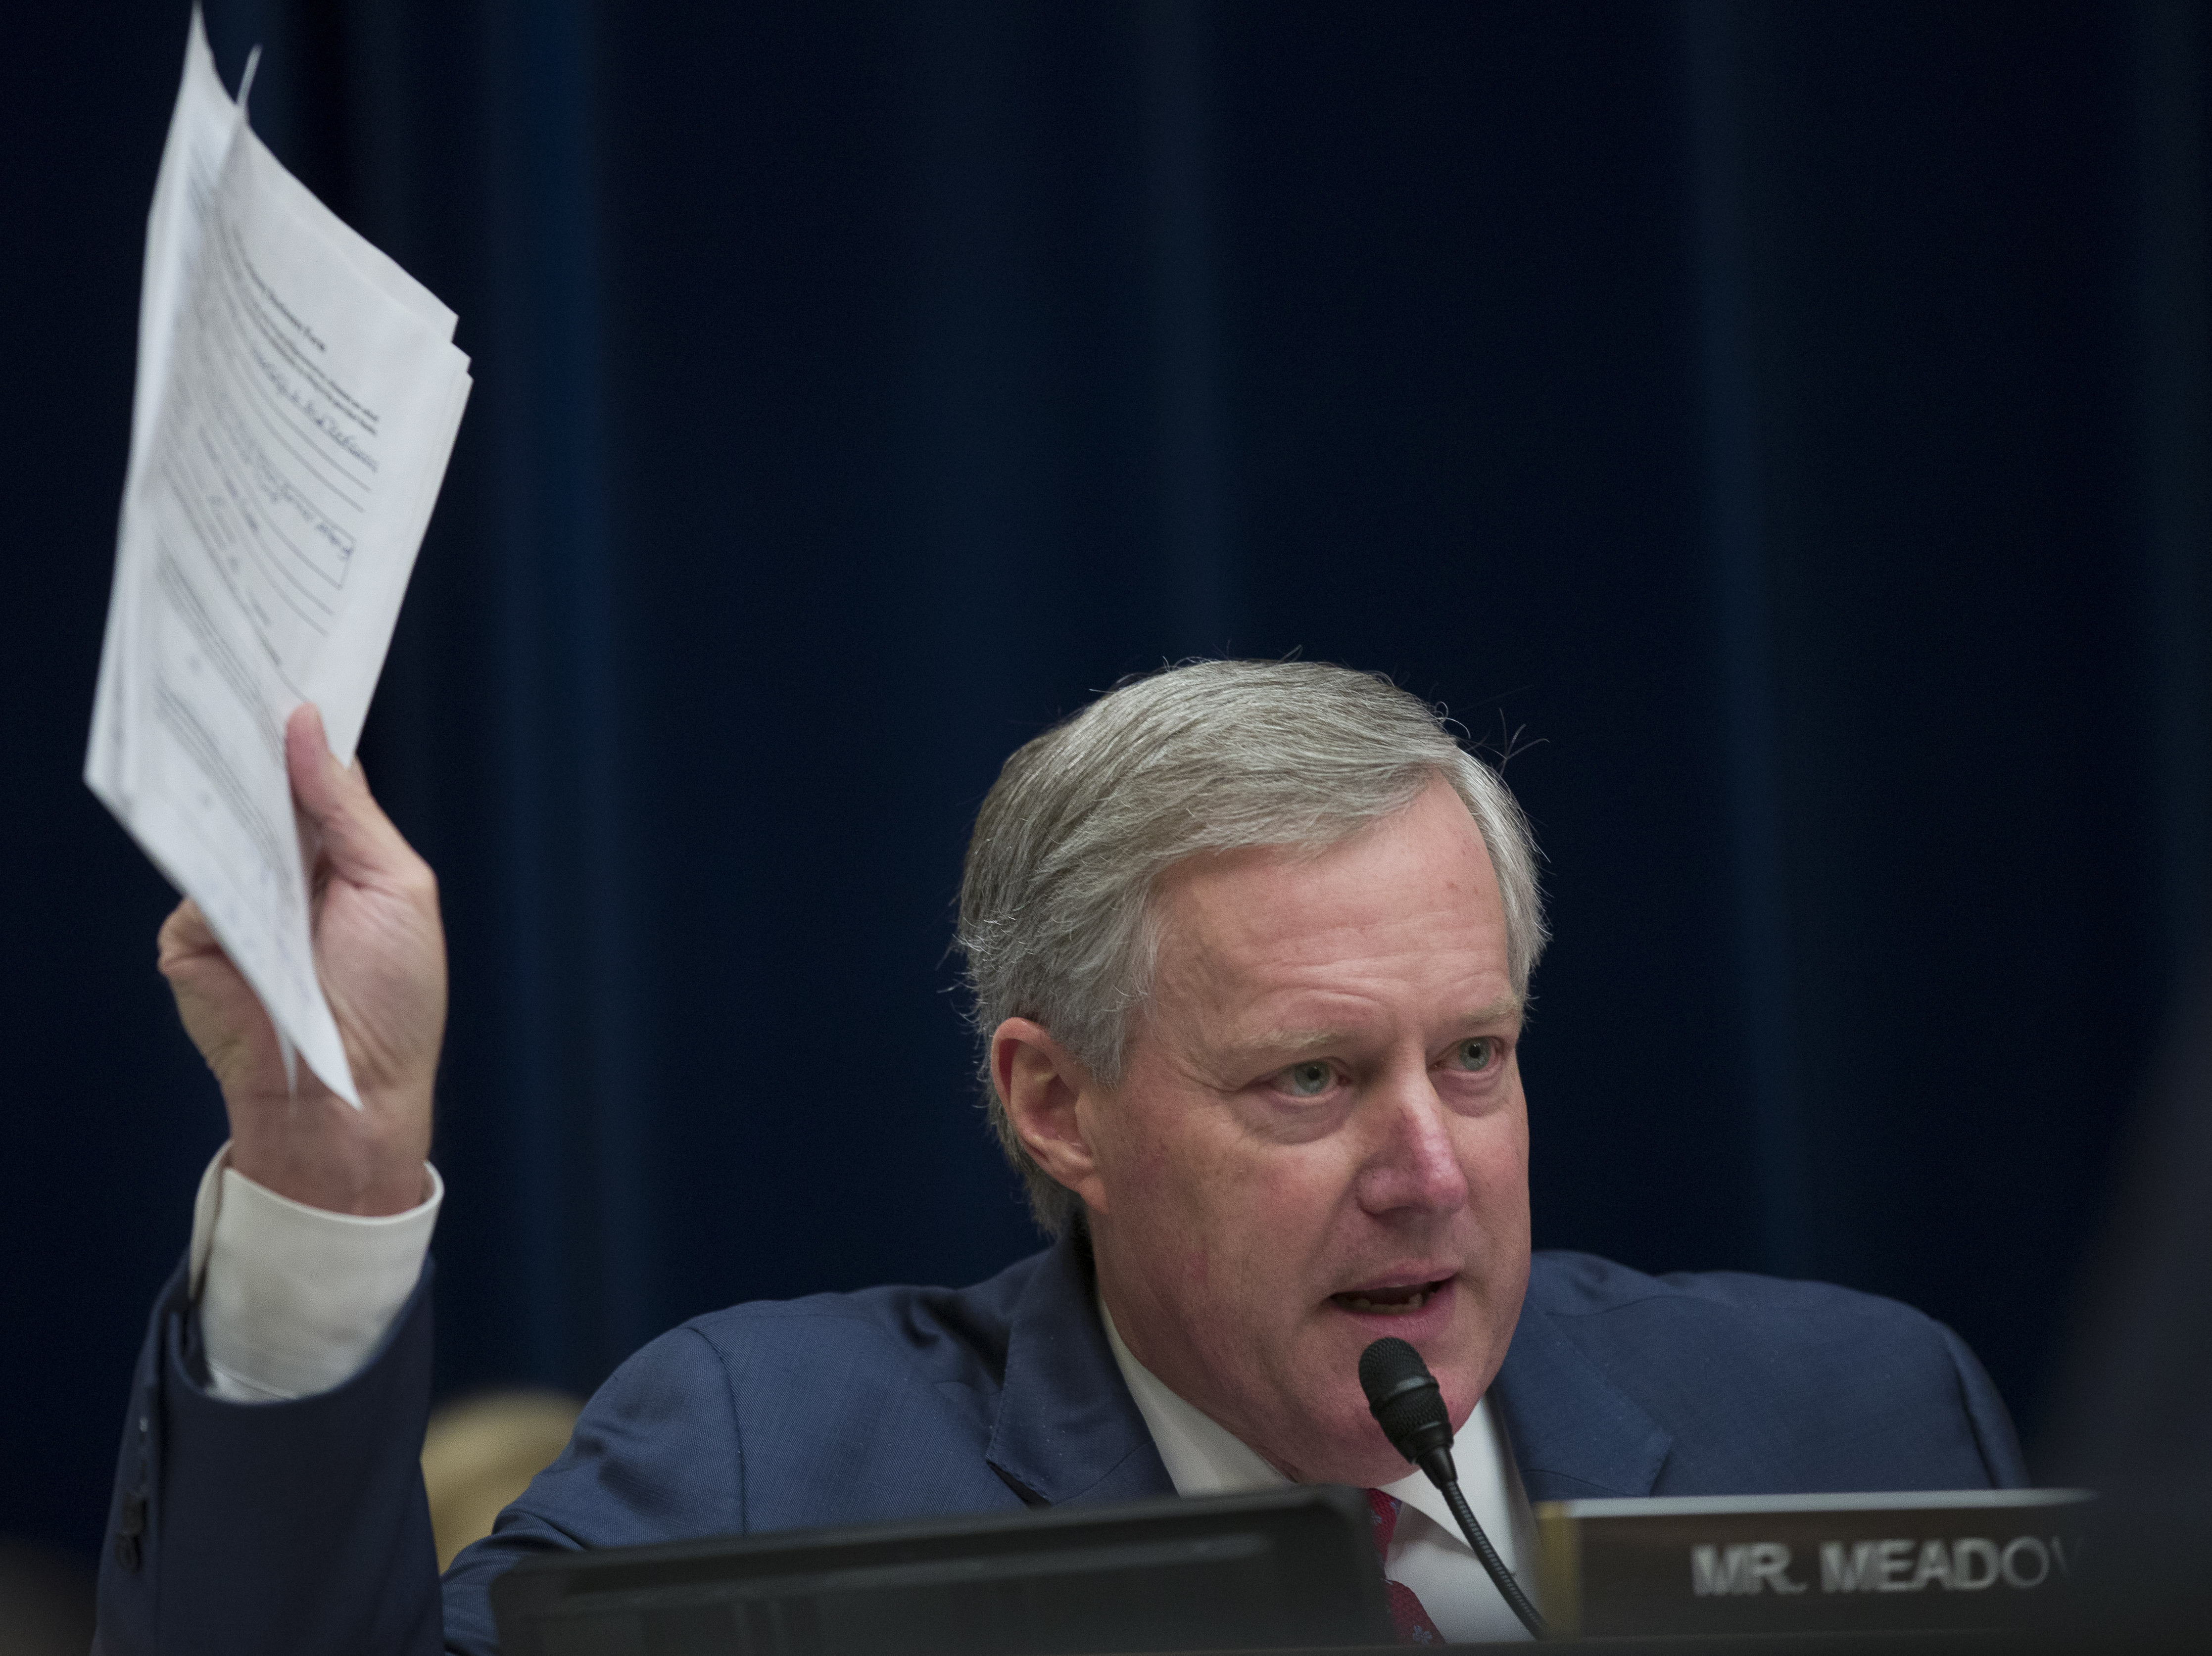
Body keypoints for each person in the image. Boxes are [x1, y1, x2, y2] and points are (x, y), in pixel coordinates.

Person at [92, 661, 2025, 1655]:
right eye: (1307, 1081)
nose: (1429, 1167)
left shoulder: (1852, 1415)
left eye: (1476, 1057)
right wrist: (325, 1167)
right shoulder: (780, 1469)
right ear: (1053, 1104)